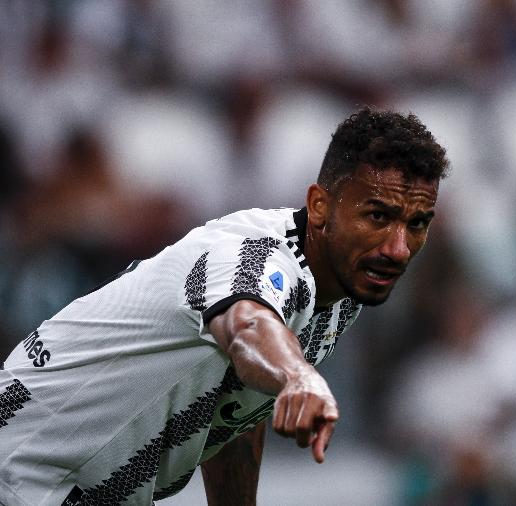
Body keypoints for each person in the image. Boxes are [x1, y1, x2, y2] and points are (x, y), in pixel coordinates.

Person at [0, 106, 449, 506]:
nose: (398, 247)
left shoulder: (340, 292)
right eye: (378, 216)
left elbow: (238, 408)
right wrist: (298, 376)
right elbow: (248, 325)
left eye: (416, 224)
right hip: (24, 466)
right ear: (319, 206)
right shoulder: (254, 256)